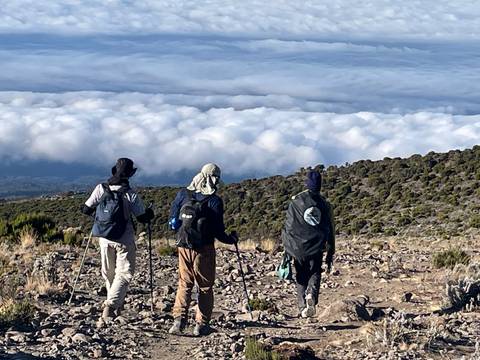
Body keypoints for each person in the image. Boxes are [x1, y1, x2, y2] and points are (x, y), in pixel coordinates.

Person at [168, 163, 238, 337]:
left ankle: (179, 321)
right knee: (205, 286)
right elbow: (218, 231)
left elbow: (173, 223)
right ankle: (201, 324)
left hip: (183, 245)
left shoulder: (183, 194)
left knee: (184, 283)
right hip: (204, 248)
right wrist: (231, 239)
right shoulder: (214, 200)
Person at [81, 158, 154, 324]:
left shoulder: (101, 188)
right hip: (124, 238)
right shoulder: (130, 194)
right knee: (125, 273)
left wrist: (99, 218)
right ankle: (111, 306)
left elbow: (85, 209)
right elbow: (142, 218)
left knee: (109, 272)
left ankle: (115, 306)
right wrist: (150, 213)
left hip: (104, 237)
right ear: (129, 174)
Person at [281, 169, 335, 318]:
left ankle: (302, 306)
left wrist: (287, 247)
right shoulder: (324, 204)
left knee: (301, 275)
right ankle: (311, 294)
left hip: (297, 247)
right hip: (316, 246)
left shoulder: (295, 202)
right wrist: (330, 250)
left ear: (307, 184)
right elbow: (330, 228)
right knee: (315, 271)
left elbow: (288, 226)